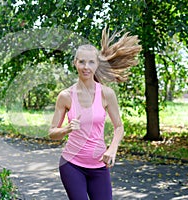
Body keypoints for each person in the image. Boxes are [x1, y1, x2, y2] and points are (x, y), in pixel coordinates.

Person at [48, 27, 142, 200]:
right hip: (71, 165)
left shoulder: (106, 94)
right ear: (75, 63)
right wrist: (66, 129)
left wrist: (112, 149)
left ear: (97, 64)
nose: (86, 67)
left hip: (99, 166)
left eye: (91, 62)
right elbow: (52, 133)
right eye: (82, 62)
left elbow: (119, 127)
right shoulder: (65, 96)